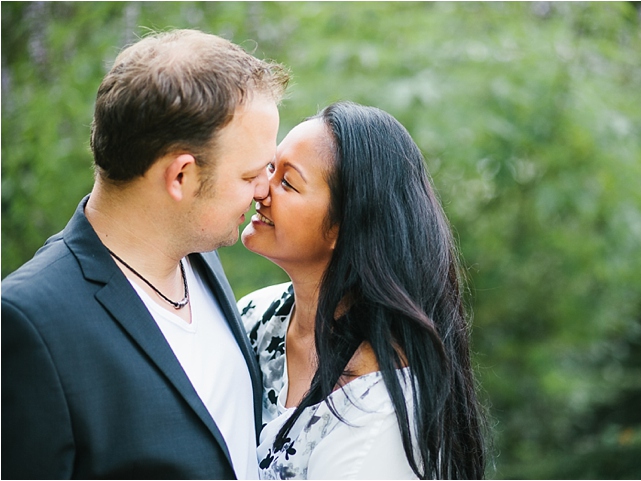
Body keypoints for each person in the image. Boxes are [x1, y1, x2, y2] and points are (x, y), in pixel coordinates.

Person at [1, 29, 289, 479]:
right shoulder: (28, 322)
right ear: (181, 177)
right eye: (252, 174)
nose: (264, 189)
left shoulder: (198, 256)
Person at [238, 101, 489, 479]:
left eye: (287, 182)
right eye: (270, 168)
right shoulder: (256, 316)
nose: (261, 189)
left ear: (343, 227)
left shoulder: (377, 404)